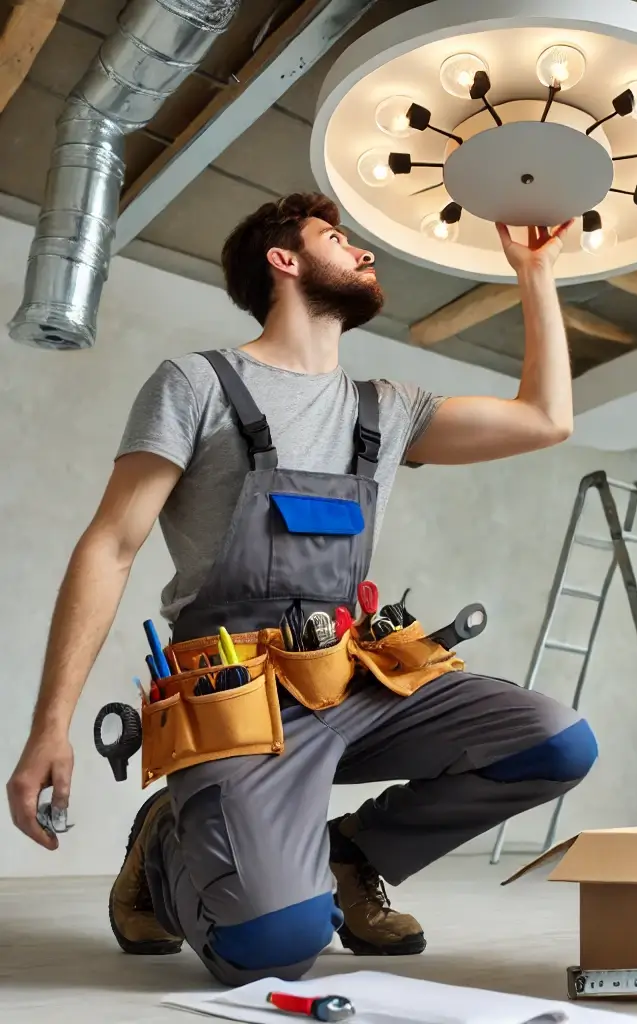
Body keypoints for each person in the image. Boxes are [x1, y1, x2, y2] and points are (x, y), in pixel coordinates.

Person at [6, 193, 598, 985]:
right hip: (235, 700)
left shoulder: (388, 408)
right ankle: (167, 845)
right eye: (336, 239)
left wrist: (535, 271)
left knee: (555, 743)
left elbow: (545, 418)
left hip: (354, 679)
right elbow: (110, 546)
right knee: (277, 949)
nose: (364, 254)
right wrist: (52, 725)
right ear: (283, 261)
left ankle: (353, 856)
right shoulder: (197, 383)